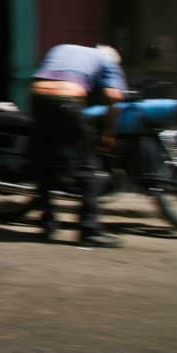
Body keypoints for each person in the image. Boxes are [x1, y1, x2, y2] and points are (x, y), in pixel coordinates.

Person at [30, 44, 127, 247]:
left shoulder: (62, 47)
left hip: (38, 97)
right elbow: (114, 96)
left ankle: (47, 221)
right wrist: (109, 134)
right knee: (88, 166)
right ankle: (89, 230)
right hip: (66, 99)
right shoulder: (108, 60)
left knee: (46, 159)